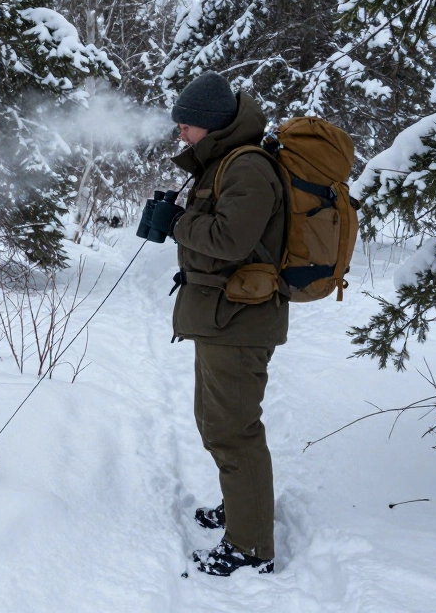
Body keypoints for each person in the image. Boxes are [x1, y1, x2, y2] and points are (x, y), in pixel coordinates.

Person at [159, 71, 288, 576]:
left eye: (187, 127)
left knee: (234, 433)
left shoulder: (248, 168)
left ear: (211, 127)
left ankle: (252, 547)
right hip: (224, 319)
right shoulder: (223, 165)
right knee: (217, 425)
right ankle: (242, 511)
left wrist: (176, 223)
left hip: (240, 323)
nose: (181, 136)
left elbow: (231, 241)